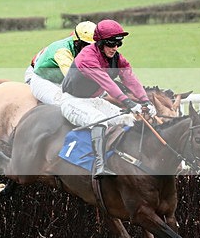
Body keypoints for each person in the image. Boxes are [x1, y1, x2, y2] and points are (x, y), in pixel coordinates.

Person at [61, 19, 156, 178]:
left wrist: (145, 101)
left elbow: (130, 78)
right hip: (72, 101)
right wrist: (129, 102)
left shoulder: (117, 58)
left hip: (94, 101)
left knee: (128, 119)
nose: (115, 48)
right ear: (100, 42)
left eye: (119, 43)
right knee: (99, 120)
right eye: (111, 43)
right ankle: (100, 166)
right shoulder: (87, 58)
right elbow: (107, 83)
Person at [29, 21, 96, 105]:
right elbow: (73, 77)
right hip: (43, 81)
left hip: (61, 82)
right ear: (77, 43)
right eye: (88, 45)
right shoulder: (63, 51)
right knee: (66, 103)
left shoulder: (82, 50)